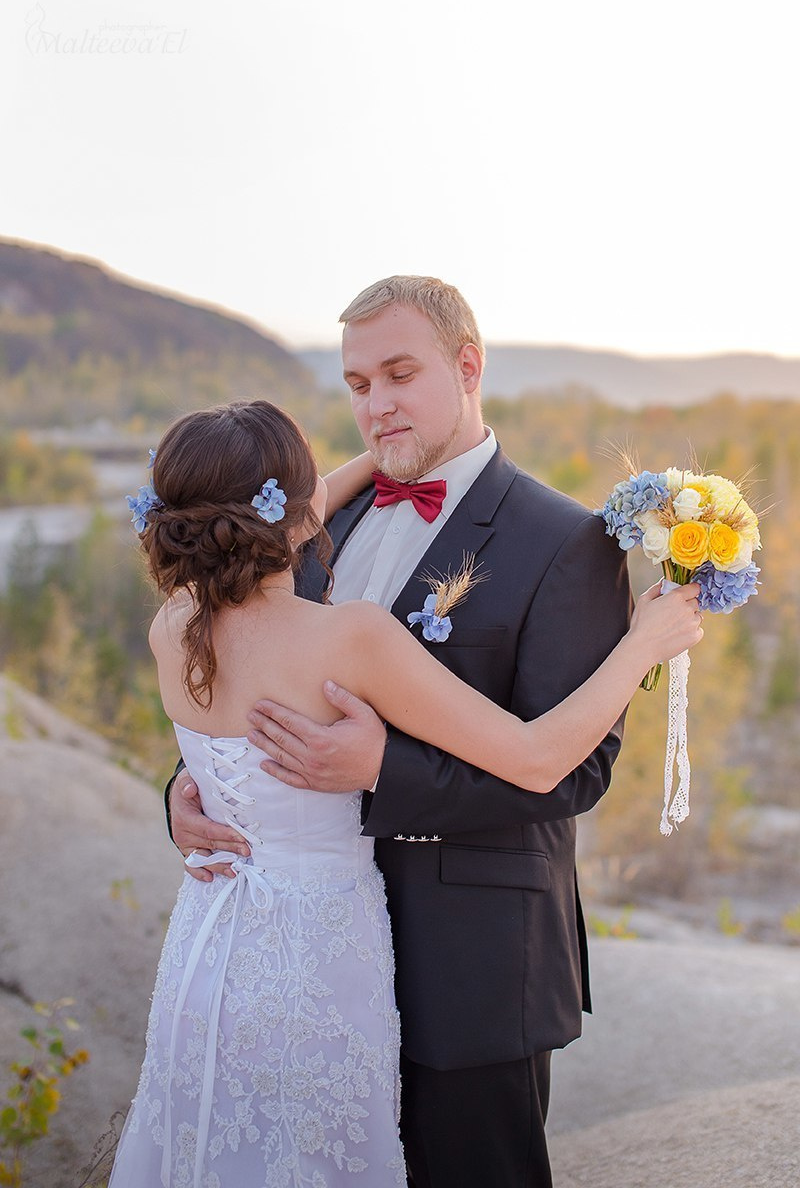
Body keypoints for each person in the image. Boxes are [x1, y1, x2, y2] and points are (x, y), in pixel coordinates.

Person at [161, 281, 701, 1188]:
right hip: (304, 971)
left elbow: (578, 772)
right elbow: (235, 670)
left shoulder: (567, 542)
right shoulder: (307, 520)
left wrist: (384, 770)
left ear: (468, 366)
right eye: (358, 383)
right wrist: (186, 791)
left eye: (400, 375)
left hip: (472, 966)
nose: (376, 405)